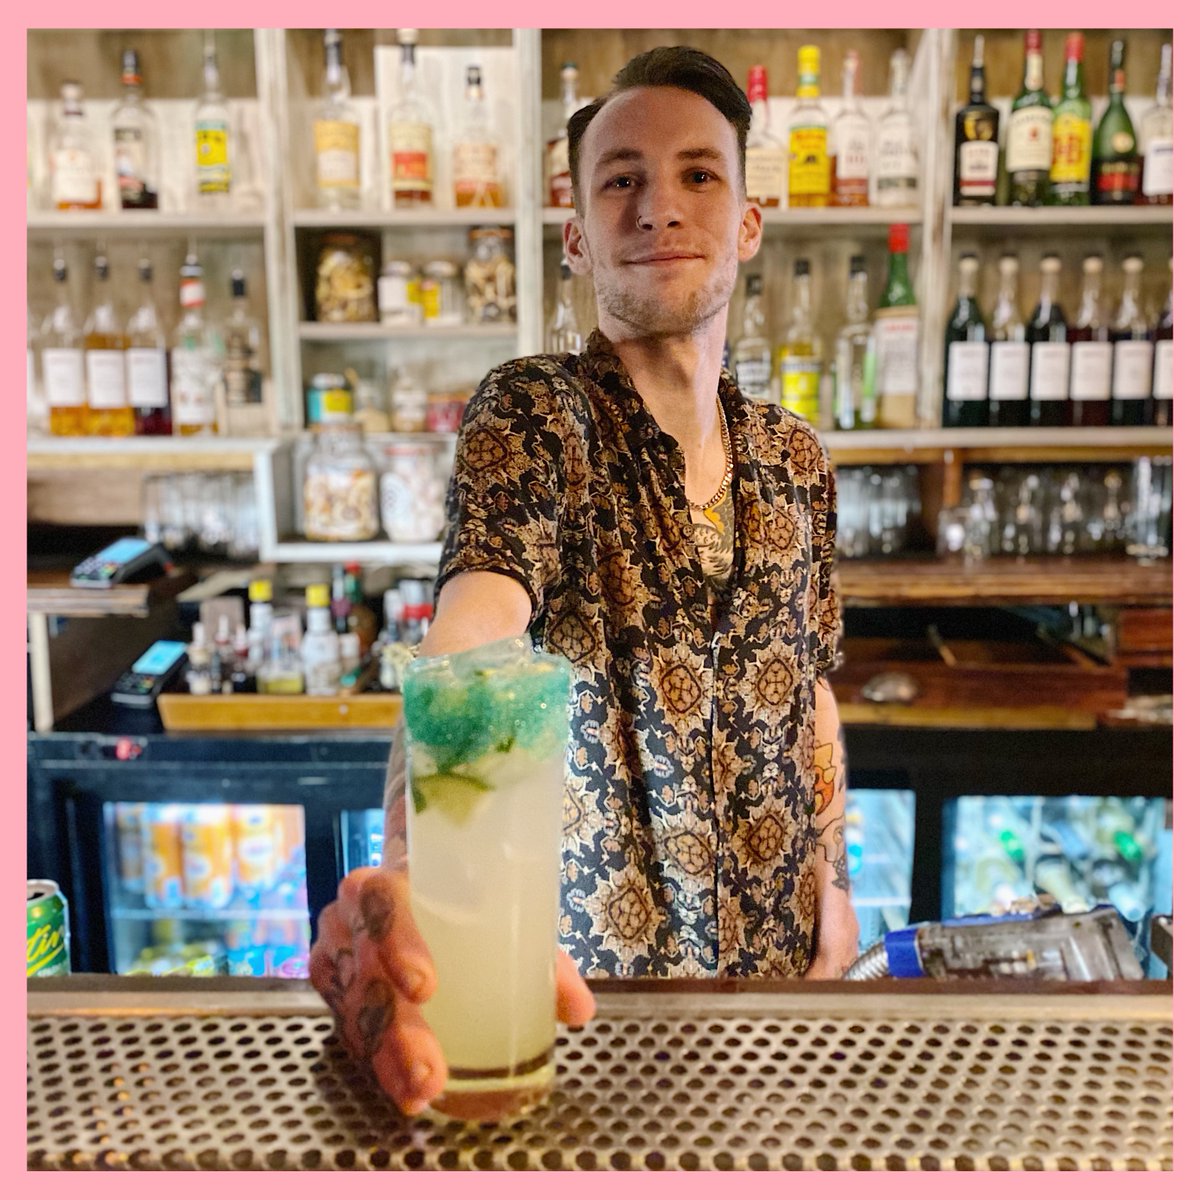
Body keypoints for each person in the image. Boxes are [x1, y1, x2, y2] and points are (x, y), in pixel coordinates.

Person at [310, 45, 858, 1117]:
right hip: (592, 1009)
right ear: (578, 237)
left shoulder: (798, 461)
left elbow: (814, 688)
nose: (660, 205)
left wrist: (837, 890)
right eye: (622, 179)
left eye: (700, 173)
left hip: (777, 995)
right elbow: (473, 634)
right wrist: (413, 882)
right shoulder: (536, 417)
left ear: (748, 223)